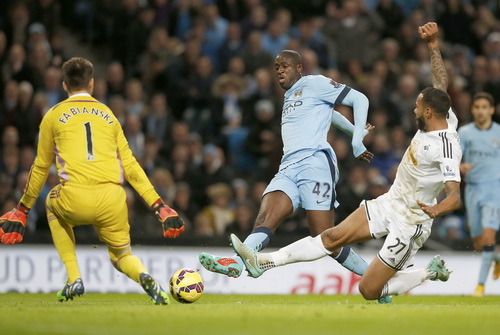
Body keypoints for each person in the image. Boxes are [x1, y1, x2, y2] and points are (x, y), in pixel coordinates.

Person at [230, 22, 462, 302]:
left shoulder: (447, 145)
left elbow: (454, 196)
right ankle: (264, 262)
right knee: (330, 238)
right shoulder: (440, 115)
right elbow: (440, 85)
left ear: (427, 111)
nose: (413, 108)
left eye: (417, 105)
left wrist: (435, 210)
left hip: (411, 222)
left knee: (369, 290)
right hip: (389, 203)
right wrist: (433, 45)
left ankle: (428, 273)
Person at [0, 57, 185, 305]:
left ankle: (74, 278)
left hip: (75, 198)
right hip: (113, 199)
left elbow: (41, 166)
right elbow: (130, 166)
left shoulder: (53, 115)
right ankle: (144, 275)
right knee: (121, 256)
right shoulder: (109, 115)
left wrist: (22, 209)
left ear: (64, 85)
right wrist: (159, 205)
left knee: (51, 204)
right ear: (92, 83)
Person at [200, 47, 378, 295]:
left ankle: (376, 279)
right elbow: (330, 115)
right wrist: (351, 129)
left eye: (284, 66)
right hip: (288, 167)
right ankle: (238, 263)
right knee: (264, 219)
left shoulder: (315, 82)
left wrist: (357, 139)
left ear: (299, 68)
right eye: (276, 67)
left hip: (315, 163)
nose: (279, 71)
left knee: (326, 238)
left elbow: (360, 99)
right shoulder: (291, 95)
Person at [458, 92, 500, 297]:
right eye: (477, 107)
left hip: (494, 190)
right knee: (478, 243)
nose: (481, 111)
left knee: (488, 237)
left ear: (492, 110)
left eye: (485, 107)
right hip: (472, 189)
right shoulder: (465, 132)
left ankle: (480, 287)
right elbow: (455, 157)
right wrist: (460, 165)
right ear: (473, 110)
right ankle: (497, 259)